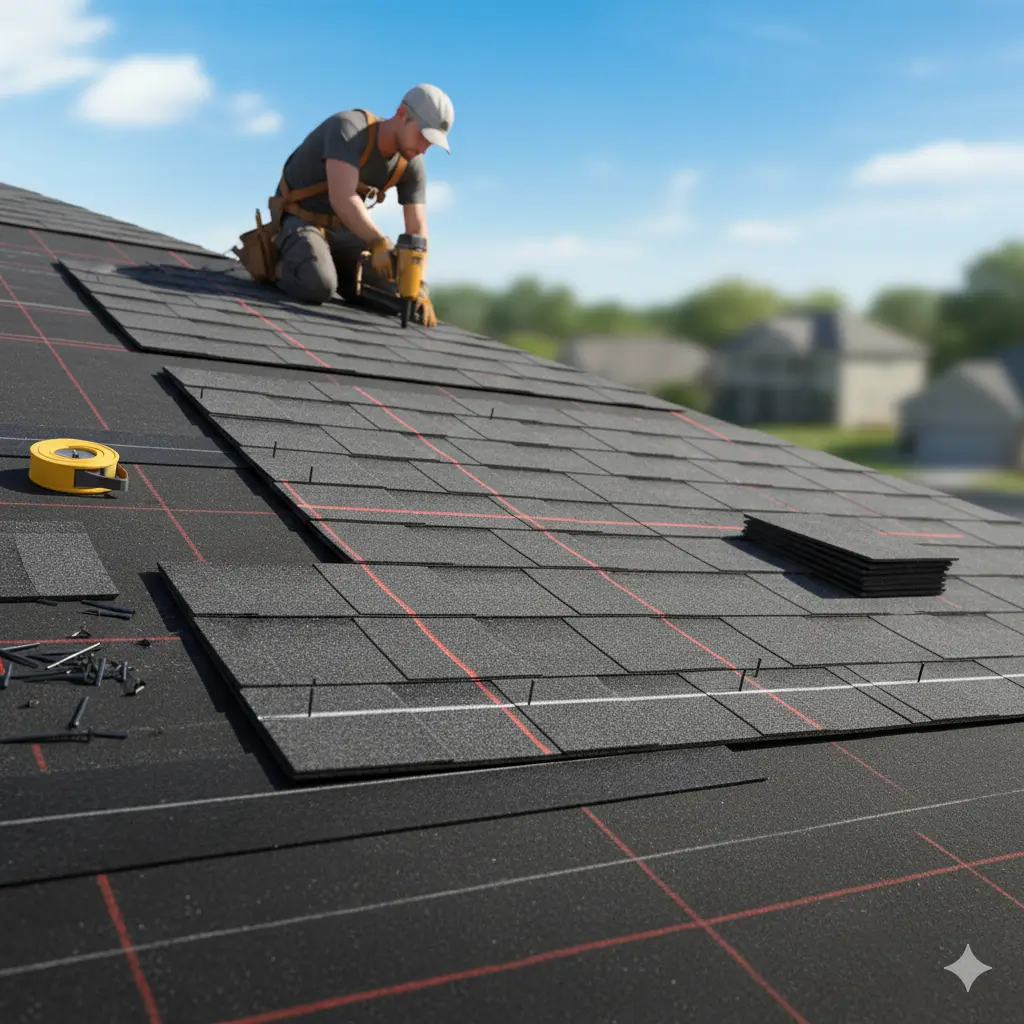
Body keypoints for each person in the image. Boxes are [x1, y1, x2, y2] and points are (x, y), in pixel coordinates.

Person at [267, 84, 453, 325]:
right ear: (401, 114)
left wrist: (418, 286)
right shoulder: (349, 128)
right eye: (423, 136)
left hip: (345, 229)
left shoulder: (411, 162)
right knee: (317, 286)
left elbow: (417, 228)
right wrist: (378, 242)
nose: (424, 149)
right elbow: (342, 198)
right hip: (300, 218)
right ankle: (276, 265)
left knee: (399, 295)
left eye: (431, 143)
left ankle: (333, 271)